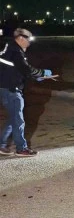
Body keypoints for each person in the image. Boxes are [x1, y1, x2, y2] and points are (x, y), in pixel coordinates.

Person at [0, 28, 53, 157]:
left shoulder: (10, 49)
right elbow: (26, 68)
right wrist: (42, 73)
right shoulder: (16, 52)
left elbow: (21, 70)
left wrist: (36, 76)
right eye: (29, 40)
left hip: (7, 88)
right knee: (18, 120)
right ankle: (21, 148)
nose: (30, 43)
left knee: (14, 118)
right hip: (11, 89)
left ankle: (1, 145)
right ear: (21, 38)